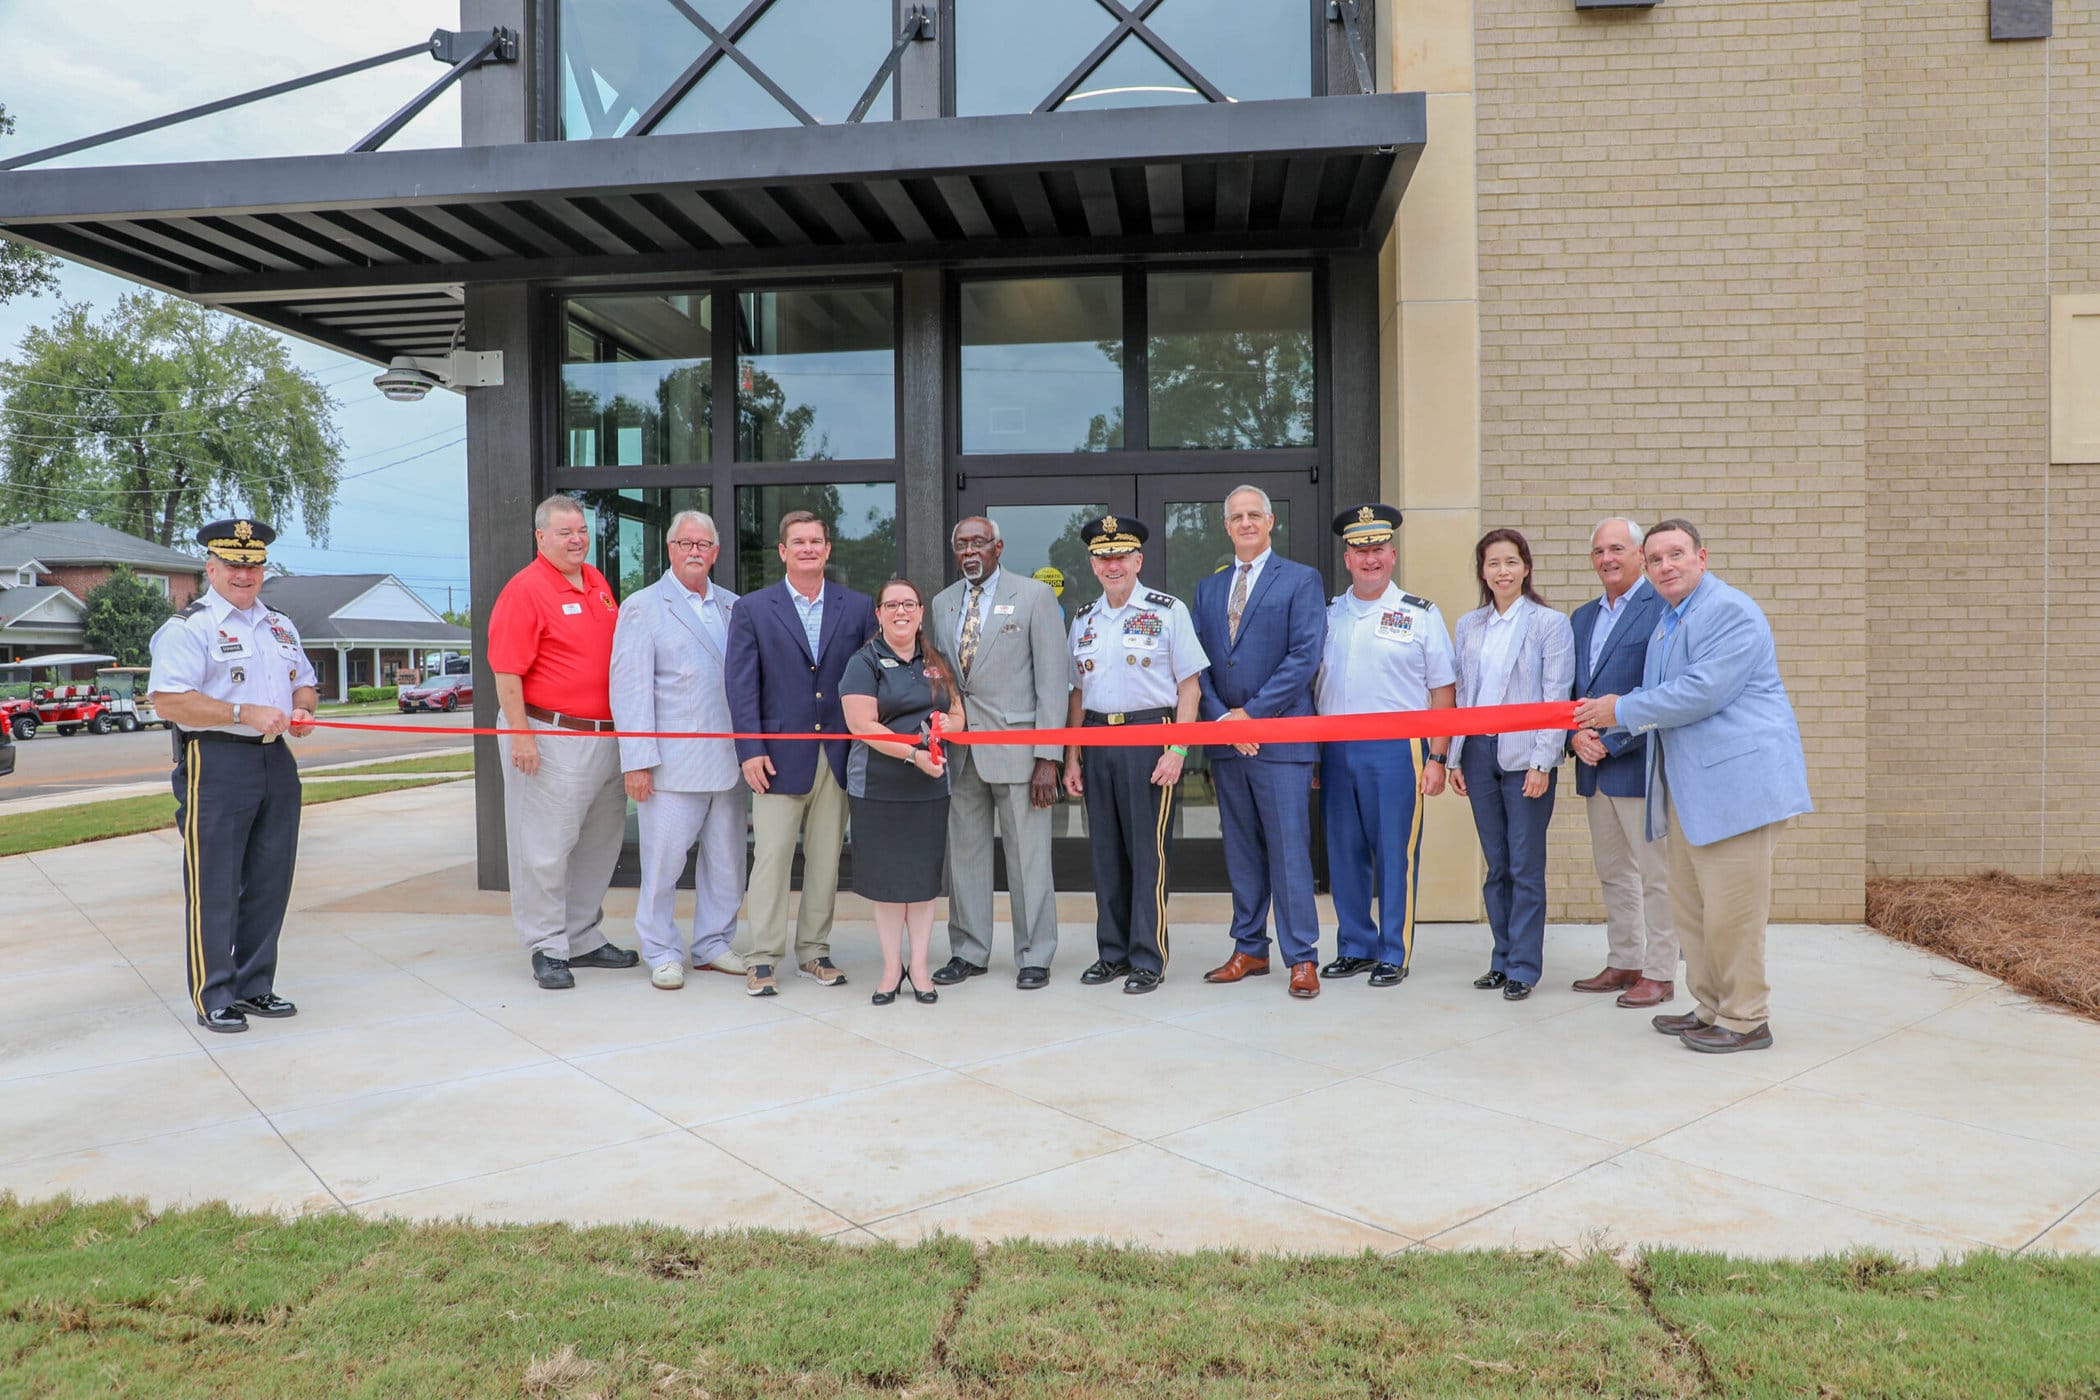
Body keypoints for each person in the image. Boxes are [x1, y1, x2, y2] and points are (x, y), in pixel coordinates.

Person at [1574, 519, 1813, 1054]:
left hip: (1737, 790)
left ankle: (1747, 1017)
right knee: (1693, 908)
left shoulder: (1728, 611)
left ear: (1702, 557)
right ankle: (1710, 1006)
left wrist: (1619, 710)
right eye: (1656, 559)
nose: (1666, 566)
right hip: (1689, 789)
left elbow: (1699, 693)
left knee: (1733, 913)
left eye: (1676, 554)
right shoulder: (1669, 619)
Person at [147, 517, 317, 1033]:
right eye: (235, 565)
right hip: (215, 761)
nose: (246, 574)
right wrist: (243, 713)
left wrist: (304, 708)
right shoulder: (188, 628)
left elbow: (304, 683)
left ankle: (254, 985)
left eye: (255, 564)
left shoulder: (280, 626)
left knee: (270, 878)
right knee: (215, 883)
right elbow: (169, 700)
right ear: (212, 567)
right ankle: (213, 992)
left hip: (275, 760)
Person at [487, 495, 642, 991]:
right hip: (550, 736)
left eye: (581, 531)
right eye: (565, 533)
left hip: (604, 737)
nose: (577, 540)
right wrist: (521, 735)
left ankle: (582, 936)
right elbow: (506, 672)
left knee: (599, 844)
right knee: (545, 848)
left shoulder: (596, 581)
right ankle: (546, 945)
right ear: (541, 538)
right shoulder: (524, 590)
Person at [724, 510, 877, 997]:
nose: (808, 548)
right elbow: (741, 686)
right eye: (799, 542)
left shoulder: (857, 608)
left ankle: (814, 951)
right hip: (775, 758)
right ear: (783, 552)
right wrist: (749, 750)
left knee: (827, 861)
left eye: (816, 541)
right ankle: (763, 957)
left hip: (835, 756)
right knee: (770, 859)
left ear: (828, 550)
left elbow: (871, 676)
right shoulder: (752, 609)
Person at [1062, 515, 1208, 995]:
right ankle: (1113, 952)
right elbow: (1077, 694)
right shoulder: (1083, 619)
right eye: (1103, 557)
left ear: (1138, 560)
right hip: (1098, 737)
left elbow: (1190, 687)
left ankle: (1149, 956)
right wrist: (1072, 757)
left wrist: (1178, 747)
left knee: (1148, 854)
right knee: (1104, 853)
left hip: (1150, 735)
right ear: (1092, 563)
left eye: (1121, 555)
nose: (1112, 564)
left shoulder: (1168, 611)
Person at [1313, 504, 1455, 988]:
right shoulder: (1329, 614)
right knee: (1344, 851)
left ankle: (1394, 950)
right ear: (1347, 558)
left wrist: (1437, 756)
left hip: (1398, 750)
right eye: (1360, 550)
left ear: (1392, 555)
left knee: (1395, 852)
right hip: (1335, 746)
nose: (1369, 558)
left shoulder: (1419, 613)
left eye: (1377, 549)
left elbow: (1443, 691)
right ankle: (1355, 945)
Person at [1193, 486, 1326, 1000]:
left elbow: (1304, 655)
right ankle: (1249, 948)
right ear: (1226, 526)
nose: (1246, 523)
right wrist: (1226, 720)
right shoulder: (1208, 589)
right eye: (1236, 517)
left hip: (1280, 741)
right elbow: (1198, 664)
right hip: (1229, 743)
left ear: (1271, 521)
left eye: (1255, 515)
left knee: (1290, 852)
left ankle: (1302, 957)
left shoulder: (1300, 580)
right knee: (1242, 851)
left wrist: (1254, 716)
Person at [928, 516, 1068, 990]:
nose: (970, 552)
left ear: (998, 547)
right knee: (965, 857)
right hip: (962, 752)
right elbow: (946, 678)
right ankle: (969, 951)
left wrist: (1048, 756)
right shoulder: (942, 603)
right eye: (962, 544)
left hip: (1019, 752)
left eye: (979, 543)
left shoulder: (1034, 597)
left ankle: (1035, 954)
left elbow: (1053, 682)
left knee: (1028, 860)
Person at [609, 510, 744, 991]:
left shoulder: (734, 606)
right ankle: (661, 950)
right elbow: (629, 689)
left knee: (727, 862)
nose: (694, 552)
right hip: (670, 765)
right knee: (664, 865)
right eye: (685, 543)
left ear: (716, 552)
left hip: (730, 761)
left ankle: (713, 943)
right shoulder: (644, 607)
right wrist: (638, 761)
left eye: (703, 544)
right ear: (669, 549)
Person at [1449, 528, 1574, 1002]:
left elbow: (1556, 694)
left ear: (1526, 568)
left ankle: (1524, 965)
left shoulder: (1549, 624)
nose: (1502, 571)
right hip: (1480, 754)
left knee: (1524, 865)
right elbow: (1464, 696)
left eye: (1510, 562)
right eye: (1492, 563)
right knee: (1496, 866)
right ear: (1482, 571)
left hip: (1526, 758)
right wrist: (1457, 755)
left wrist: (1544, 761)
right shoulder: (1469, 625)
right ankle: (1501, 959)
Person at [1567, 516, 1676, 1008]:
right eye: (1598, 552)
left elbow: (1659, 693)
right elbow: (1572, 692)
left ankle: (1659, 971)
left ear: (1638, 554)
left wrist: (1610, 741)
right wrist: (1576, 736)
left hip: (1637, 763)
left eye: (1616, 549)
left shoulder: (1662, 611)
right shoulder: (1583, 617)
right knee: (1614, 871)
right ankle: (1625, 959)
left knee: (1656, 874)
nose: (1607, 559)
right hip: (1593, 767)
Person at [842, 578, 967, 1005]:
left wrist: (951, 726)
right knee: (888, 882)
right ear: (878, 614)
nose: (901, 612)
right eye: (892, 605)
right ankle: (892, 968)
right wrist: (914, 756)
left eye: (909, 604)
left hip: (931, 784)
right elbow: (863, 726)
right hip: (879, 783)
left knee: (922, 881)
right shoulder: (864, 661)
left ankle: (919, 968)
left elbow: (956, 712)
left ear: (920, 612)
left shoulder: (936, 660)